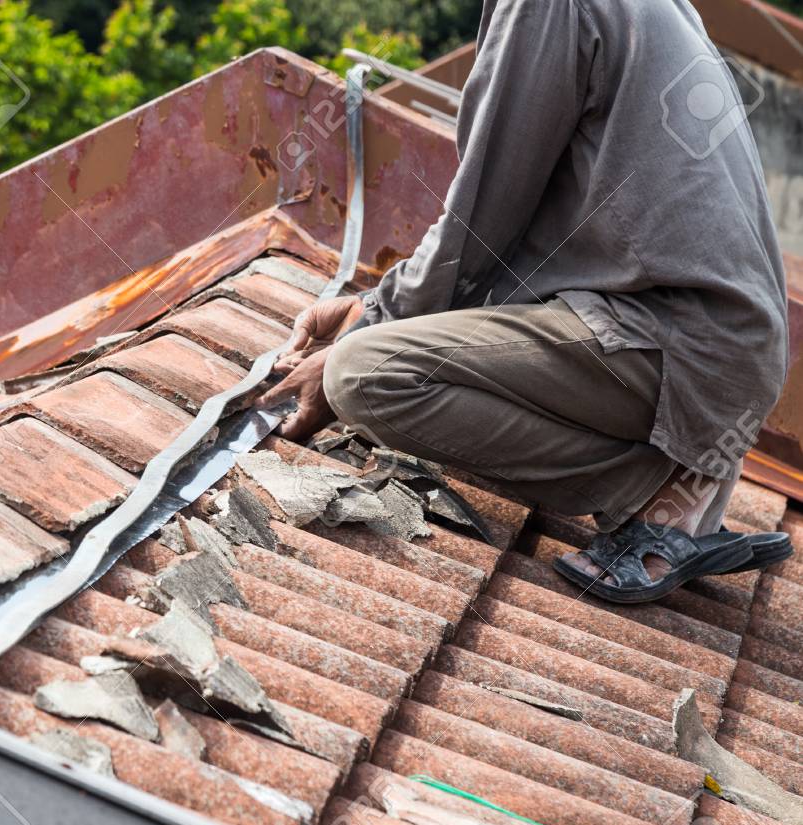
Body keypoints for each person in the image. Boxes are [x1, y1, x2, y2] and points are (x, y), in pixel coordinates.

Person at [259, 0, 793, 603]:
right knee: (366, 356)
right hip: (717, 346)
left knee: (361, 376)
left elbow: (483, 217)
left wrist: (370, 326)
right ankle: (676, 473)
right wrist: (369, 308)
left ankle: (658, 489)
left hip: (678, 344)